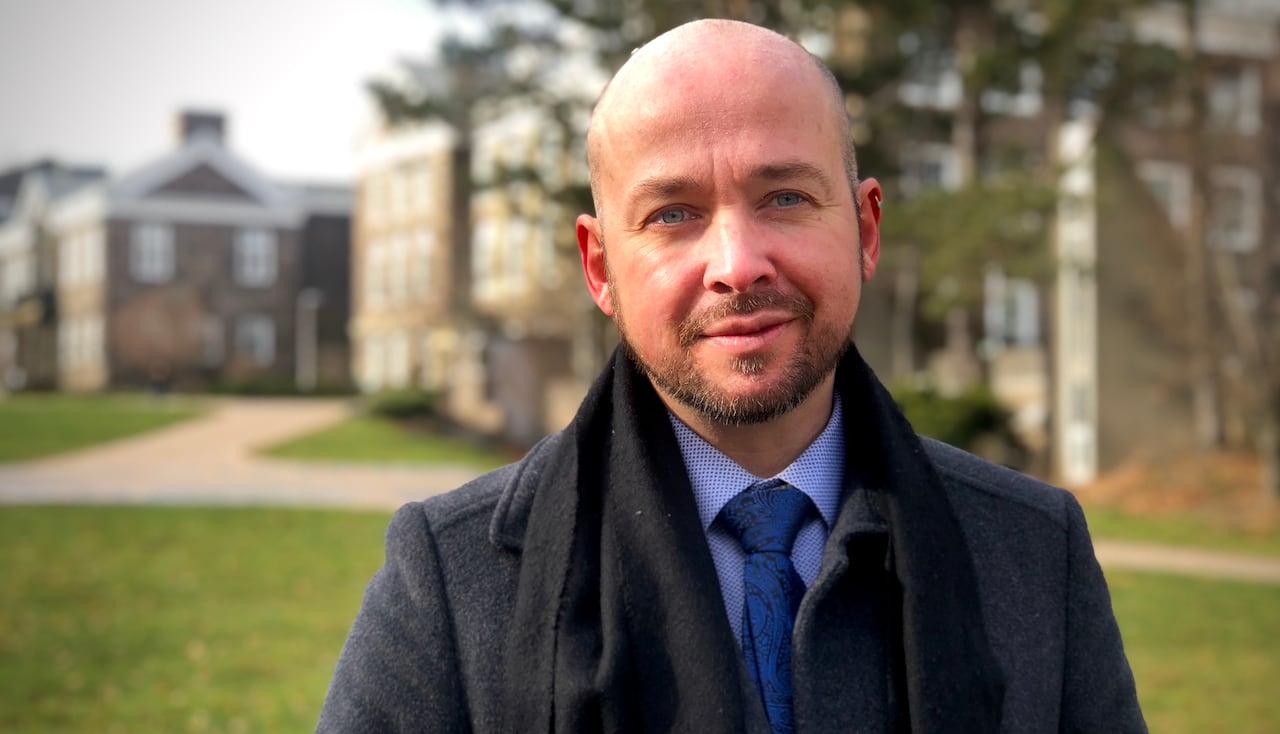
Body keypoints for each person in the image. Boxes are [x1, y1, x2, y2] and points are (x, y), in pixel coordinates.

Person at [317, 19, 1146, 734]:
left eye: (784, 197)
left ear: (864, 230)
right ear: (599, 267)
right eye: (672, 214)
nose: (737, 264)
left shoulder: (1036, 553)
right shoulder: (449, 581)